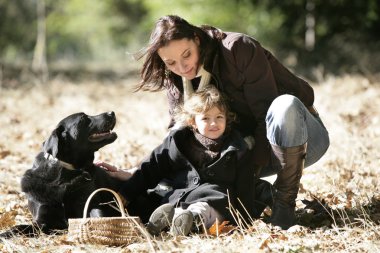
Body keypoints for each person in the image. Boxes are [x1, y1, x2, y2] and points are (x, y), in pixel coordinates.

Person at [131, 15, 330, 230]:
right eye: (170, 62)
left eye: (186, 54)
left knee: (285, 105)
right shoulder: (174, 76)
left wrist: (246, 172)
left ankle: (284, 207)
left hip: (300, 138)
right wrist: (138, 174)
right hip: (239, 154)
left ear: (197, 39)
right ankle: (192, 215)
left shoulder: (237, 49)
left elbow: (266, 114)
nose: (182, 66)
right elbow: (178, 135)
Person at [99, 86, 272, 236]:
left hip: (216, 202)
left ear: (227, 119)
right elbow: (151, 168)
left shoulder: (236, 149)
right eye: (205, 118)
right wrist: (126, 194)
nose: (214, 123)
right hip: (180, 197)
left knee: (201, 210)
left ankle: (190, 221)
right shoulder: (179, 142)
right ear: (193, 122)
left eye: (219, 117)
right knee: (174, 207)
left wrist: (246, 219)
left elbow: (245, 185)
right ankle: (168, 219)